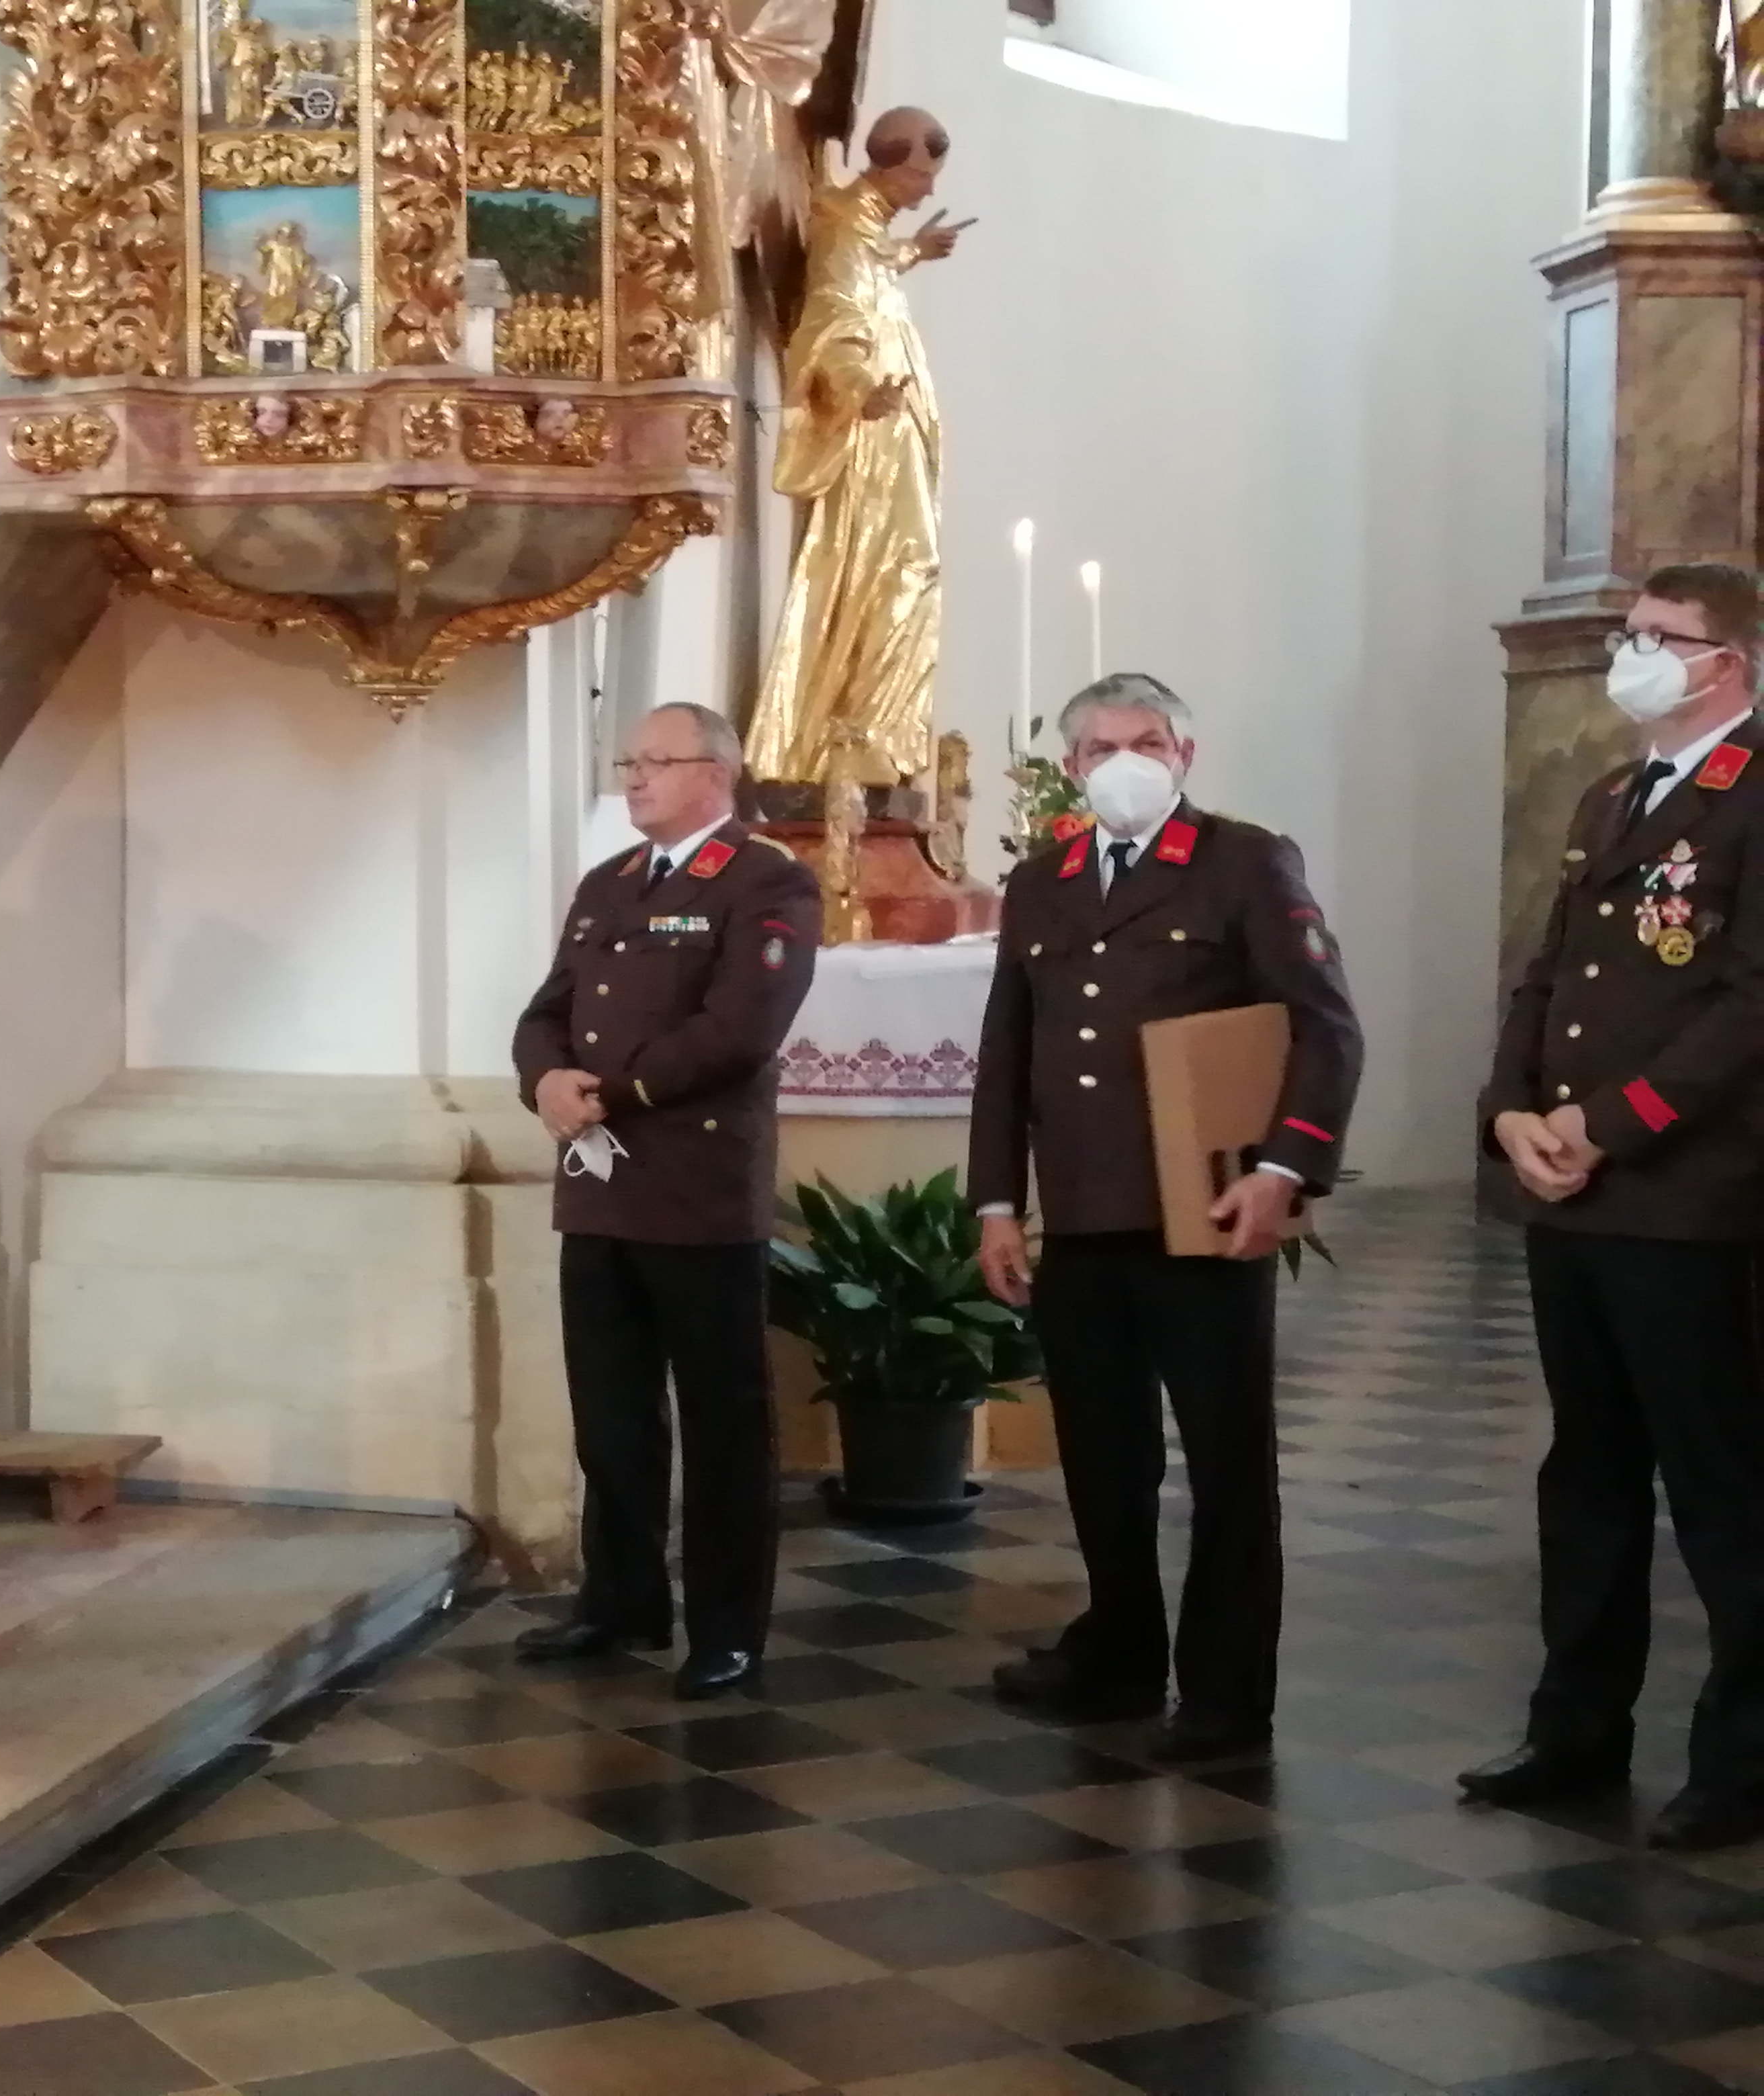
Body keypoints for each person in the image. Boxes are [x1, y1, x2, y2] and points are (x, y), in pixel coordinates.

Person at [971, 674, 1362, 1761]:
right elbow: (1009, 1052)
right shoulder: (1041, 882)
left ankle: (1229, 1692)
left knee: (1227, 1462)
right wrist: (997, 1202)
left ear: (1185, 756)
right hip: (1081, 1215)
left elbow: (1325, 1026)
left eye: (1148, 742)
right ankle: (1121, 1652)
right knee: (1104, 1456)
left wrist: (1284, 1167)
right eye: (1101, 747)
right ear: (1072, 767)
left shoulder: (1245, 862)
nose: (1126, 762)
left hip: (1207, 1211)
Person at [1462, 563, 1764, 1851]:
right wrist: (1512, 1111)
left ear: (1726, 663)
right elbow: (1551, 976)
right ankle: (1577, 1729)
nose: (1630, 653)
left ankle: (1743, 1762)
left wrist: (1610, 1124)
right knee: (1587, 1472)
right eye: (1629, 632)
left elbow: (1748, 1006)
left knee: (1720, 1484)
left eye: (1658, 637)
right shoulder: (1612, 795)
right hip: (1576, 1200)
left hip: (1687, 1200)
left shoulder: (1753, 798)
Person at [511, 701, 823, 1700]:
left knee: (722, 1422)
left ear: (715, 775)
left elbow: (741, 1028)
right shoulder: (610, 884)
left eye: (656, 760)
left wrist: (613, 1092)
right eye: (629, 762)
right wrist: (544, 1080)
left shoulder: (765, 880)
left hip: (696, 1190)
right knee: (610, 1415)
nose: (635, 778)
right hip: (598, 1188)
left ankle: (726, 1628)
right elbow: (547, 1011)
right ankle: (621, 1598)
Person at [742, 107, 975, 803]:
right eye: (922, 174)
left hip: (890, 421)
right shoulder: (843, 224)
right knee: (896, 567)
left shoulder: (862, 225)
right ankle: (852, 740)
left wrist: (912, 252)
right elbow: (833, 316)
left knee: (902, 568)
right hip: (873, 428)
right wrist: (858, 392)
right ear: (891, 165)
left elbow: (868, 266)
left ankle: (869, 740)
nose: (929, 189)